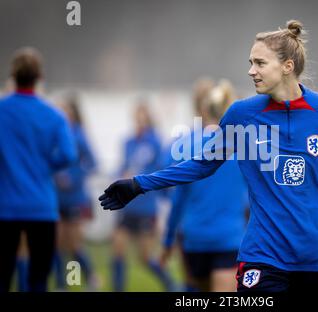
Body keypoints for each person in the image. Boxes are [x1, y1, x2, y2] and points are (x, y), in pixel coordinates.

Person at [99, 20, 318, 293]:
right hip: (263, 259)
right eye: (250, 62)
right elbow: (202, 164)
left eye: (260, 63)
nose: (251, 71)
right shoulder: (242, 114)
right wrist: (138, 184)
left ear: (287, 66)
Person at [0, 47, 77, 292]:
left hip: (6, 206)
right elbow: (68, 155)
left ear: (13, 76)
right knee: (39, 281)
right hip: (41, 206)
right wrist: (44, 166)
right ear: (39, 77)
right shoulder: (53, 115)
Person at [160, 80, 249, 292]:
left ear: (202, 108)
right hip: (230, 237)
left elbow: (177, 199)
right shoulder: (244, 145)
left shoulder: (184, 145)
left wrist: (168, 239)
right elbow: (256, 197)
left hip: (194, 238)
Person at [110, 101, 176, 291]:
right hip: (127, 205)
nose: (139, 120)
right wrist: (118, 176)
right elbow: (123, 165)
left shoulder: (155, 142)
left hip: (145, 206)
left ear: (148, 117)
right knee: (118, 249)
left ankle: (170, 283)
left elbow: (161, 170)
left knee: (145, 257)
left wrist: (165, 198)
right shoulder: (128, 142)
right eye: (136, 115)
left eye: (143, 115)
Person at [53, 93, 99, 291]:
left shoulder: (79, 135)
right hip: (56, 197)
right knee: (56, 243)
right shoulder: (55, 133)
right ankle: (62, 284)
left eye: (65, 109)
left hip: (74, 197)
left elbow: (92, 163)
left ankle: (90, 278)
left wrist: (75, 177)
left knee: (73, 244)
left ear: (73, 112)